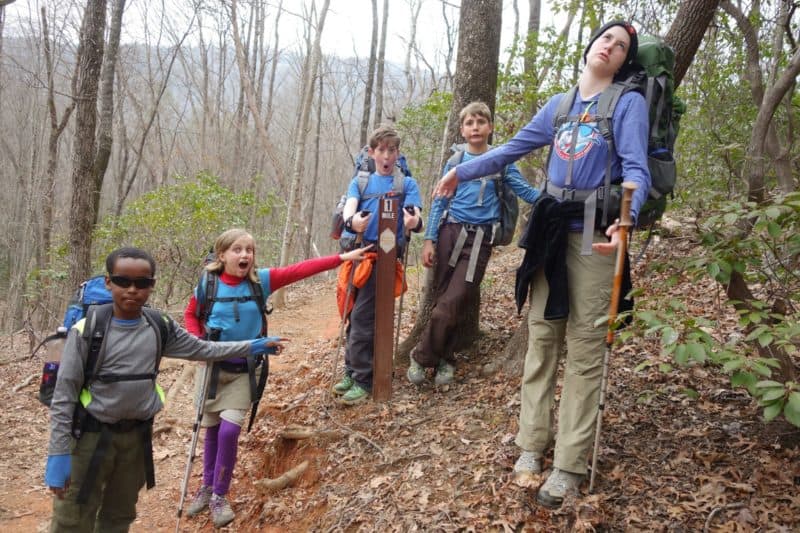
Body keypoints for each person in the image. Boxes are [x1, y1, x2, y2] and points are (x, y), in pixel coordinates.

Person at [433, 21, 650, 508]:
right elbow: (511, 149)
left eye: (621, 46)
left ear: (624, 60)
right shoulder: (560, 104)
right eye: (605, 38)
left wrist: (626, 220)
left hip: (596, 238)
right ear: (591, 45)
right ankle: (530, 445)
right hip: (550, 238)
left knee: (587, 350)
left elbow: (636, 168)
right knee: (543, 342)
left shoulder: (628, 104)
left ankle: (570, 464)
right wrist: (459, 171)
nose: (610, 46)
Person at [44, 247, 285, 532]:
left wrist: (251, 346)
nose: (132, 290)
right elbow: (64, 395)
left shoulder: (159, 326)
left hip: (135, 439)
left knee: (118, 517)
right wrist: (58, 453)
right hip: (87, 439)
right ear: (109, 282)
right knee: (72, 521)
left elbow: (201, 348)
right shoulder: (87, 330)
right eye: (123, 281)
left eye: (142, 283)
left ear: (152, 285)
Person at [182, 228, 371, 527]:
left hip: (245, 370)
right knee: (212, 430)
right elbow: (191, 315)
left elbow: (299, 270)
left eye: (249, 250)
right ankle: (205, 487)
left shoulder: (261, 281)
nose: (245, 255)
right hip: (211, 369)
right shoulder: (208, 284)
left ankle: (219, 494)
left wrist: (341, 258)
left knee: (230, 431)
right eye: (237, 250)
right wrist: (197, 343)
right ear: (222, 255)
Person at [407, 101, 540, 386]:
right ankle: (445, 360)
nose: (476, 127)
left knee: (455, 300)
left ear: (490, 127)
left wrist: (554, 200)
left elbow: (525, 191)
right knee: (444, 300)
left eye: (481, 121)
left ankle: (420, 357)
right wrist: (429, 239)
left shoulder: (501, 161)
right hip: (450, 233)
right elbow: (440, 200)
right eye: (470, 123)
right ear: (462, 130)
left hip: (480, 239)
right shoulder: (455, 162)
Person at [331, 125, 423, 405]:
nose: (386, 155)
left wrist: (413, 222)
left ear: (397, 153)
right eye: (380, 149)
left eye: (391, 150)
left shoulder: (405, 184)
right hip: (357, 256)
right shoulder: (360, 182)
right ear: (372, 153)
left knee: (362, 319)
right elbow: (351, 206)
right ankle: (351, 369)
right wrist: (352, 222)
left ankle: (362, 379)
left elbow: (415, 215)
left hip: (382, 260)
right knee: (352, 314)